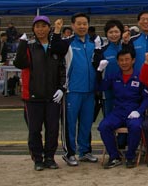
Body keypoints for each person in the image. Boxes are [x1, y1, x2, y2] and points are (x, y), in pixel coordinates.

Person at [13, 16, 66, 171]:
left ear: (49, 28)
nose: (41, 29)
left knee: (52, 129)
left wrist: (62, 88)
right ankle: (37, 159)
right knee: (34, 130)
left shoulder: (54, 47)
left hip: (52, 97)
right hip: (33, 97)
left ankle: (49, 157)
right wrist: (22, 44)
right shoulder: (29, 47)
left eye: (44, 26)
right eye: (37, 26)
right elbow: (19, 63)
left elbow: (62, 69)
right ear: (33, 29)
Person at [52, 13, 101, 166]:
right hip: (72, 90)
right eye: (78, 24)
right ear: (73, 26)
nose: (82, 26)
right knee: (70, 124)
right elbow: (54, 48)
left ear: (88, 25)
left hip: (90, 91)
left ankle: (85, 151)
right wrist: (57, 30)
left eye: (84, 23)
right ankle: (69, 153)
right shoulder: (67, 43)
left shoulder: (93, 43)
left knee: (86, 123)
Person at [97, 47, 148, 169]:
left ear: (133, 60)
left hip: (134, 111)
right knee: (103, 126)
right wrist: (99, 72)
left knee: (135, 126)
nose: (124, 63)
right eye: (121, 60)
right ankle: (114, 156)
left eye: (127, 59)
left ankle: (130, 156)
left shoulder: (141, 76)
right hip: (118, 111)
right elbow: (100, 87)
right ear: (117, 62)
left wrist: (139, 111)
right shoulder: (114, 76)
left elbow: (147, 97)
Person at [99, 19, 126, 116]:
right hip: (108, 92)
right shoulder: (102, 51)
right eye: (110, 32)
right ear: (106, 34)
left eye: (116, 32)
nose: (114, 35)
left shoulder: (126, 48)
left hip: (125, 91)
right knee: (109, 120)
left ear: (121, 33)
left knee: (124, 122)